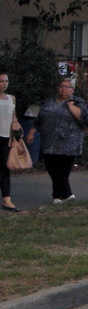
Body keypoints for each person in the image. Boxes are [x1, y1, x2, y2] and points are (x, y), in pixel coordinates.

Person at [23, 79, 88, 203]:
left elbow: (82, 118)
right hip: (50, 142)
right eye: (61, 86)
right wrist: (31, 132)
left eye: (67, 87)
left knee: (63, 169)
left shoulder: (78, 102)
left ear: (72, 90)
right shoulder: (49, 103)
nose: (63, 89)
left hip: (70, 142)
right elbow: (39, 119)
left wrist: (70, 106)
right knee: (52, 168)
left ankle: (57, 196)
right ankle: (68, 194)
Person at [0, 71, 23, 211]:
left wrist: (16, 126)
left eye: (6, 81)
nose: (4, 83)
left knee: (4, 168)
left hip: (6, 138)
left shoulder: (11, 99)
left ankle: (7, 199)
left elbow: (13, 116)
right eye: (2, 81)